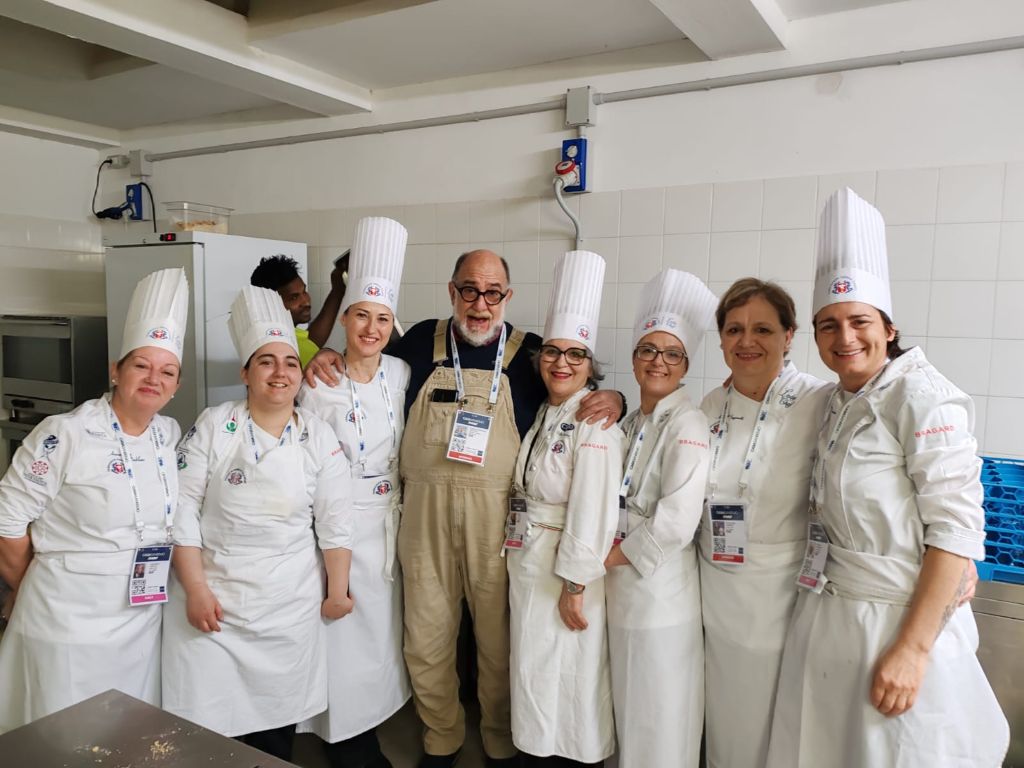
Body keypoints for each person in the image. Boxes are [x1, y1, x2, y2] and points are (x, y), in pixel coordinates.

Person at [305, 248, 624, 768]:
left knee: (499, 642)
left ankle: (500, 739)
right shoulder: (416, 341)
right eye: (469, 290)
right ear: (452, 292)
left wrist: (614, 398)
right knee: (425, 637)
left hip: (498, 520)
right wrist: (328, 356)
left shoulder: (531, 352)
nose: (480, 304)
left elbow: (577, 382)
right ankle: (441, 737)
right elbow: (364, 363)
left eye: (492, 292)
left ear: (507, 297)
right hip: (422, 513)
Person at [766, 188, 1009, 767]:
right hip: (831, 614)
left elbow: (955, 531)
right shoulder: (834, 399)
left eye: (859, 321)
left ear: (889, 325)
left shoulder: (925, 399)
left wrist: (913, 649)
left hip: (899, 624)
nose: (844, 338)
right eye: (828, 325)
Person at [161, 286, 353, 763]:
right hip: (213, 602)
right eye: (266, 362)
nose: (280, 373)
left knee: (273, 734)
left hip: (287, 606)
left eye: (289, 362)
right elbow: (180, 510)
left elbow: (335, 522)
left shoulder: (317, 435)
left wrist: (337, 591)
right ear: (246, 372)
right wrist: (197, 589)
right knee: (207, 730)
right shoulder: (214, 424)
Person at [0, 268, 189, 732]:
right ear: (115, 370)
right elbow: (7, 520)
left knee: (126, 734)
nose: (153, 378)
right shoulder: (65, 433)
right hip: (67, 618)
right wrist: (39, 585)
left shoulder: (167, 433)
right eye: (141, 365)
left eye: (167, 371)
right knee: (61, 736)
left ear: (177, 385)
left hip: (139, 617)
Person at [697, 277, 833, 768]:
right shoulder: (709, 407)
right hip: (715, 589)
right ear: (721, 339)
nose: (746, 342)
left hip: (784, 595)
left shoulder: (822, 402)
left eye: (762, 329)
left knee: (779, 723)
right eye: (734, 329)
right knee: (725, 719)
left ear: (789, 334)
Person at [296, 217, 412, 768]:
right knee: (339, 630)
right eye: (362, 315)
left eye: (382, 318)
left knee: (377, 636)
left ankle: (367, 725)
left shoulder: (402, 373)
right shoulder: (315, 379)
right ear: (344, 319)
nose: (371, 327)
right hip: (335, 526)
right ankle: (342, 738)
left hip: (387, 524)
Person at [506, 250, 622, 766]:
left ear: (590, 365)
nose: (561, 363)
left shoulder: (595, 421)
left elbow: (594, 510)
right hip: (530, 562)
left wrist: (576, 585)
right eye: (552, 352)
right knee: (535, 674)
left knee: (568, 681)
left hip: (564, 573)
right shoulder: (547, 412)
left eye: (575, 355)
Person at [604, 269, 716, 768]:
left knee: (660, 719)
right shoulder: (633, 421)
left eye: (671, 354)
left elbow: (676, 520)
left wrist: (608, 556)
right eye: (648, 350)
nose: (658, 362)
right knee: (629, 714)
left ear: (685, 365)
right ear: (633, 358)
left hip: (661, 599)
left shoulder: (688, 424)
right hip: (623, 590)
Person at [251, 253, 347, 367]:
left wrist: (337, 290)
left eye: (304, 291)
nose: (306, 301)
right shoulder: (274, 345)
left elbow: (311, 343)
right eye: (294, 297)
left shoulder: (291, 337)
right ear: (270, 303)